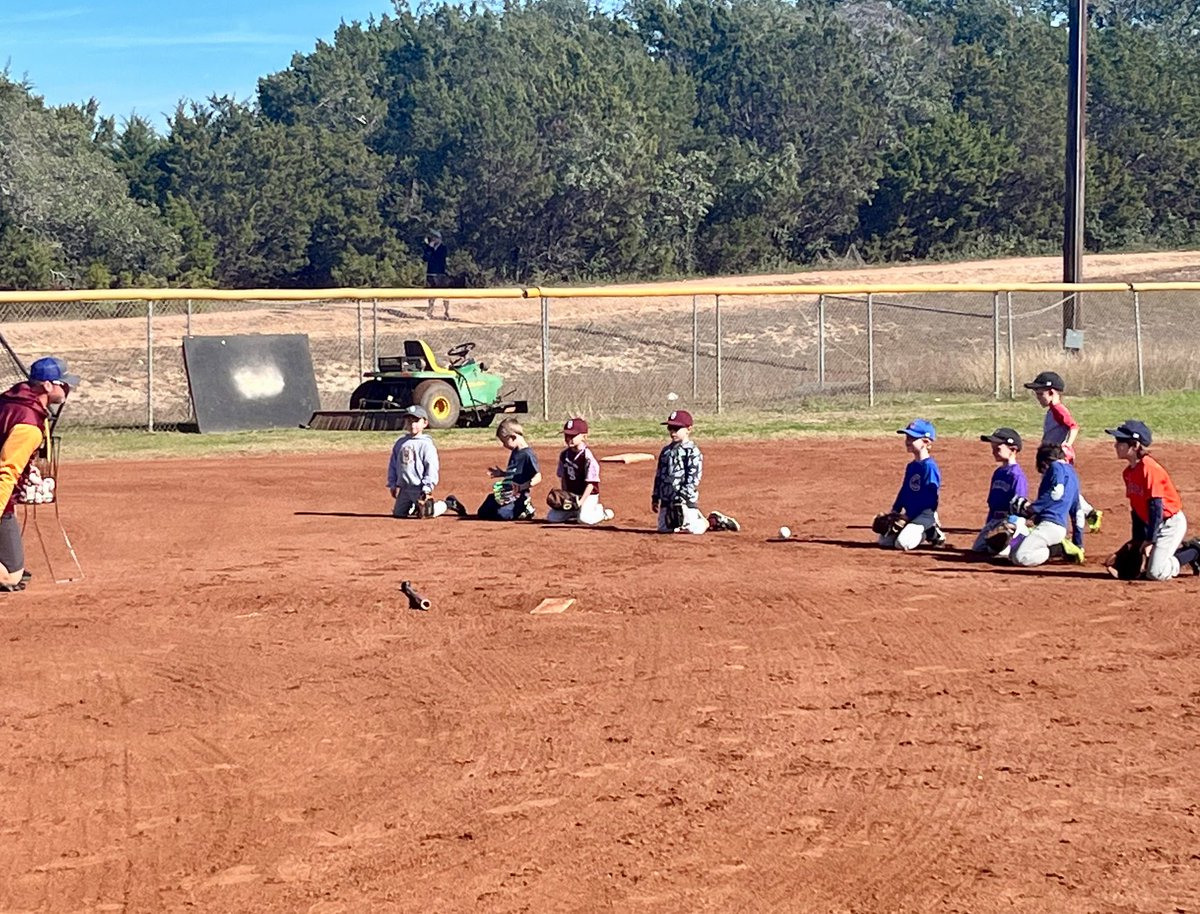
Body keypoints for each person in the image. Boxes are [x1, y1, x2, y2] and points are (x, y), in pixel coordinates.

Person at [0, 356, 78, 592]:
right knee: (10, 578)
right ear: (46, 386)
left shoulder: (15, 400)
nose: (68, 387)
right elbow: (5, 472)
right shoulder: (28, 424)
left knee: (14, 569)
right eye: (62, 383)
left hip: (6, 502)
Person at [1104, 420, 1200, 580]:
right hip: (1153, 524)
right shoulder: (1128, 472)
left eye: (1120, 442)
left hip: (1170, 523)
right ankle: (1164, 551)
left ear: (1134, 446)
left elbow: (1156, 507)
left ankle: (1194, 551)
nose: (1116, 446)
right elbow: (1136, 510)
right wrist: (1137, 542)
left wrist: (1150, 540)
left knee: (1156, 573)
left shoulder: (1150, 469)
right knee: (1129, 564)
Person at [1024, 370, 1102, 547]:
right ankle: (1090, 513)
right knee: (1067, 489)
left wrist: (1066, 445)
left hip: (1057, 458)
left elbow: (1073, 426)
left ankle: (1049, 516)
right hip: (1051, 457)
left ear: (1052, 393)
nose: (1038, 398)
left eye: (1040, 394)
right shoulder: (1052, 410)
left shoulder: (1058, 409)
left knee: (1058, 487)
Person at [650, 409, 740, 534]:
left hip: (684, 500)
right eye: (670, 428)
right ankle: (690, 520)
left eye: (677, 428)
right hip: (667, 501)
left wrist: (682, 496)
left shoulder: (692, 451)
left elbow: (693, 477)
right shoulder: (666, 451)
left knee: (693, 530)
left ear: (689, 429)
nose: (672, 432)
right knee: (664, 530)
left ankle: (713, 520)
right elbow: (659, 475)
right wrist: (655, 497)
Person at [1009, 442, 1086, 567]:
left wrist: (1031, 508)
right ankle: (1063, 548)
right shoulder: (1073, 476)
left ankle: (1058, 549)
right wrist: (1079, 544)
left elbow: (1057, 493)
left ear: (1044, 464)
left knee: (1021, 557)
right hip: (1057, 528)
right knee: (1012, 554)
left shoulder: (1056, 467)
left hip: (1050, 527)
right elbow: (1078, 513)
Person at [879, 418, 946, 550]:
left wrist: (908, 516)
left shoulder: (930, 467)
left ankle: (931, 531)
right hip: (909, 513)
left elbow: (930, 499)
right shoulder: (911, 466)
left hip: (925, 514)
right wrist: (895, 510)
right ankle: (919, 529)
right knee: (884, 541)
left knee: (903, 544)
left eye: (912, 438)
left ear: (926, 442)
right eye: (907, 437)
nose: (907, 441)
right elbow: (904, 490)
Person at [455, 417, 541, 520]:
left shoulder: (527, 454)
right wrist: (502, 474)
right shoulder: (515, 452)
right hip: (507, 495)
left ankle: (525, 508)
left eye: (505, 442)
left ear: (513, 437)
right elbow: (516, 472)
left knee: (502, 514)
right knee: (484, 511)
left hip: (518, 497)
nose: (504, 445)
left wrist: (521, 487)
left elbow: (538, 477)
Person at [971, 427, 1029, 557]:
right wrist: (988, 527)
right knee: (978, 549)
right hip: (995, 521)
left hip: (1010, 522)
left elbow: (1019, 505)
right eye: (993, 449)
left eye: (997, 449)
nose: (993, 452)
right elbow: (992, 504)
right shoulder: (998, 473)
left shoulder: (1016, 476)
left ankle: (1023, 537)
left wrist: (1011, 526)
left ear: (1013, 449)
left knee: (999, 552)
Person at [547, 417, 615, 525]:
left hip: (588, 495)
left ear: (584, 436)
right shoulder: (564, 455)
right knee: (552, 518)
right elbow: (563, 477)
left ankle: (602, 512)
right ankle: (576, 511)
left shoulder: (587, 457)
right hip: (573, 495)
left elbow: (591, 484)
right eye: (566, 435)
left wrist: (581, 501)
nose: (568, 438)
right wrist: (566, 496)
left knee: (584, 519)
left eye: (573, 436)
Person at [386, 405, 447, 518]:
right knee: (398, 514)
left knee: (428, 514)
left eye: (416, 421)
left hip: (419, 488)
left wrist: (427, 487)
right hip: (405, 488)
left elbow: (431, 467)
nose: (412, 424)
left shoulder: (426, 445)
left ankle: (447, 504)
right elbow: (393, 464)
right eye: (409, 421)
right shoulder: (401, 443)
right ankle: (414, 507)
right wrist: (392, 483)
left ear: (425, 423)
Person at [422, 230, 451, 320]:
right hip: (430, 273)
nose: (432, 239)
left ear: (438, 239)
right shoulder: (429, 248)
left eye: (434, 238)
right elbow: (425, 258)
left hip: (440, 274)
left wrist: (431, 249)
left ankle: (446, 312)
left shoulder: (443, 248)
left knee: (445, 295)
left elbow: (437, 258)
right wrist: (429, 248)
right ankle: (429, 312)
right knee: (431, 295)